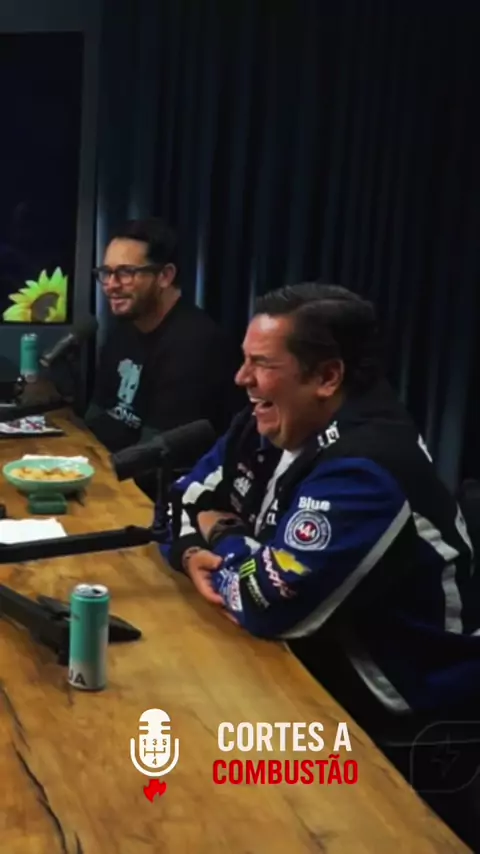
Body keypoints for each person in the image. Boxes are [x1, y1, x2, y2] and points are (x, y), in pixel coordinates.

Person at [159, 282, 480, 847]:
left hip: (403, 718)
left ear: (327, 377)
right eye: (245, 360)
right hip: (310, 664)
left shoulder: (366, 468)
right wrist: (190, 551)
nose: (240, 378)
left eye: (262, 364)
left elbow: (262, 602)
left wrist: (225, 534)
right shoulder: (268, 420)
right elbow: (179, 498)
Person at [84, 218, 241, 460]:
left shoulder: (197, 345)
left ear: (165, 276)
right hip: (108, 466)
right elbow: (95, 418)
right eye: (106, 273)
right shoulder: (124, 329)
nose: (111, 285)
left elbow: (154, 458)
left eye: (126, 273)